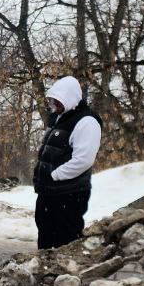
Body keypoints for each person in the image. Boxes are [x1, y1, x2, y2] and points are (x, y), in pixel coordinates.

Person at [33, 76, 102, 250]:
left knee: (64, 239)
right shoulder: (58, 118)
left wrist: (55, 175)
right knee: (46, 235)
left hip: (69, 193)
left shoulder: (86, 122)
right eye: (52, 101)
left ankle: (63, 268)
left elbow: (83, 160)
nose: (53, 105)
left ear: (69, 98)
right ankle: (44, 266)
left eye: (57, 101)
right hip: (49, 192)